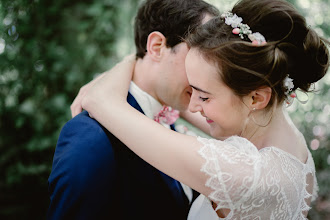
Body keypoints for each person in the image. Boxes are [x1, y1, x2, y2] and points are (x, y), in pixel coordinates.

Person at [81, 0, 330, 219]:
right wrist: (153, 55)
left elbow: (98, 99)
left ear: (256, 98)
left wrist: (139, 57)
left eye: (203, 96)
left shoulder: (245, 175)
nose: (191, 106)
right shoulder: (285, 141)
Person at [47, 0, 219, 219]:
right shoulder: (92, 136)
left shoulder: (170, 114)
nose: (208, 76)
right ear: (157, 46)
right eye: (200, 55)